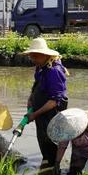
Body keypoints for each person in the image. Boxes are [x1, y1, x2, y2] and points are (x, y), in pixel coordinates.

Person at [22, 38, 69, 167]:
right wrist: (31, 98)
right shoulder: (40, 67)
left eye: (35, 56)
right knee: (42, 138)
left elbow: (55, 101)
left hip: (52, 111)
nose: (33, 59)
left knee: (50, 138)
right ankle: (46, 160)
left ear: (46, 55)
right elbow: (37, 84)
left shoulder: (54, 72)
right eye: (31, 56)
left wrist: (35, 114)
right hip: (40, 110)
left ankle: (54, 166)